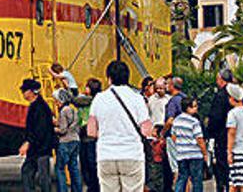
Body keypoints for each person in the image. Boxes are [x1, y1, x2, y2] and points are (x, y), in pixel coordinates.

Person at [88, 60, 153, 192]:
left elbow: (91, 131)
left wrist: (107, 134)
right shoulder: (137, 98)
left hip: (106, 155)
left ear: (109, 78)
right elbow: (147, 131)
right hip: (132, 155)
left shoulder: (99, 99)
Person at [19, 78, 55, 192]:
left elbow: (40, 130)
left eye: (24, 91)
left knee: (41, 176)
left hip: (40, 148)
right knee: (29, 172)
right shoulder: (38, 105)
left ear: (30, 92)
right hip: (37, 148)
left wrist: (28, 142)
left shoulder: (39, 108)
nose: (23, 94)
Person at [172, 96, 207, 192]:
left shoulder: (176, 121)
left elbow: (173, 136)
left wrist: (181, 144)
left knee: (182, 177)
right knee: (196, 180)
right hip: (195, 154)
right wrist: (205, 153)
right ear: (188, 108)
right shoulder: (194, 122)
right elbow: (199, 139)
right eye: (194, 106)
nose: (196, 108)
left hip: (181, 154)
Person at [207, 68, 234, 192]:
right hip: (235, 136)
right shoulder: (235, 93)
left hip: (222, 136)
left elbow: (215, 117)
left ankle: (222, 187)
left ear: (221, 80)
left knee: (221, 166)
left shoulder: (220, 95)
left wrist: (209, 132)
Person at [53, 88, 82, 192]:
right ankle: (77, 189)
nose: (56, 103)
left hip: (65, 142)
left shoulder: (63, 111)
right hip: (76, 140)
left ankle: (63, 190)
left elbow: (63, 130)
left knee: (60, 169)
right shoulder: (73, 110)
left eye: (56, 100)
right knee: (74, 168)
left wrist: (53, 129)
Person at [76, 78, 102, 192]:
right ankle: (90, 184)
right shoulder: (84, 100)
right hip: (83, 135)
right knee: (85, 162)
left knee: (91, 162)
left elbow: (76, 100)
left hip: (91, 136)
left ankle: (94, 186)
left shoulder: (94, 100)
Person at [162, 76, 186, 186]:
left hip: (173, 137)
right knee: (185, 169)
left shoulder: (173, 101)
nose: (166, 86)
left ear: (172, 86)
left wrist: (162, 132)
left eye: (167, 84)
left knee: (176, 168)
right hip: (186, 136)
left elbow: (170, 120)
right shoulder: (185, 99)